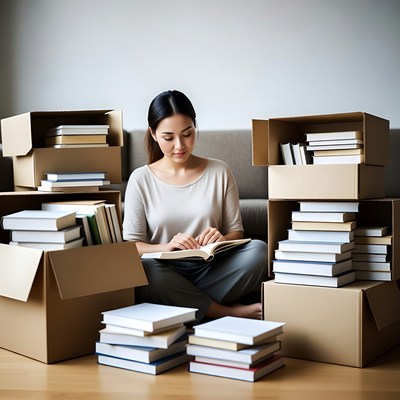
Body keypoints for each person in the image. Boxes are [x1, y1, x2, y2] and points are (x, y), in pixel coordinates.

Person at [123, 90, 268, 322]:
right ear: (153, 134)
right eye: (169, 137)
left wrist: (221, 238)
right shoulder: (141, 179)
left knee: (259, 251)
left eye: (187, 134)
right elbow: (132, 246)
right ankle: (226, 311)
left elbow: (237, 232)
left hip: (212, 267)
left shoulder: (219, 170)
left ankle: (183, 304)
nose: (180, 145)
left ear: (195, 127)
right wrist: (166, 247)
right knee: (145, 271)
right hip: (165, 270)